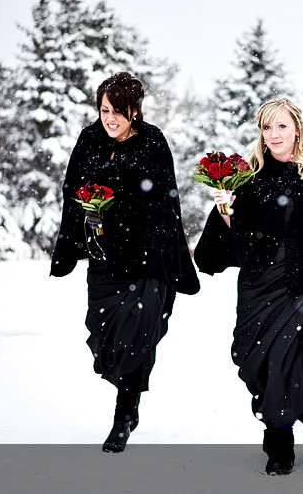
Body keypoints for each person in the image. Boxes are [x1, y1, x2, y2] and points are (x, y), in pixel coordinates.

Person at [194, 98, 303, 475]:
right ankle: (276, 424)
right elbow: (237, 240)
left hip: (300, 285)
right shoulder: (247, 176)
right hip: (257, 286)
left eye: (281, 126)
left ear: (297, 128)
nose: (274, 134)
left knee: (288, 362)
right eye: (267, 127)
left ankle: (280, 440)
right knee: (258, 361)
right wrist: (226, 213)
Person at [50, 72, 200, 453]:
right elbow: (72, 192)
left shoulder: (152, 142)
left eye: (119, 111)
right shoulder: (89, 140)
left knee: (136, 338)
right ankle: (126, 395)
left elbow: (167, 202)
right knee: (103, 340)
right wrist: (81, 233)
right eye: (104, 110)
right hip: (103, 259)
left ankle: (124, 415)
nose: (110, 118)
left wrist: (165, 251)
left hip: (146, 258)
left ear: (135, 110)